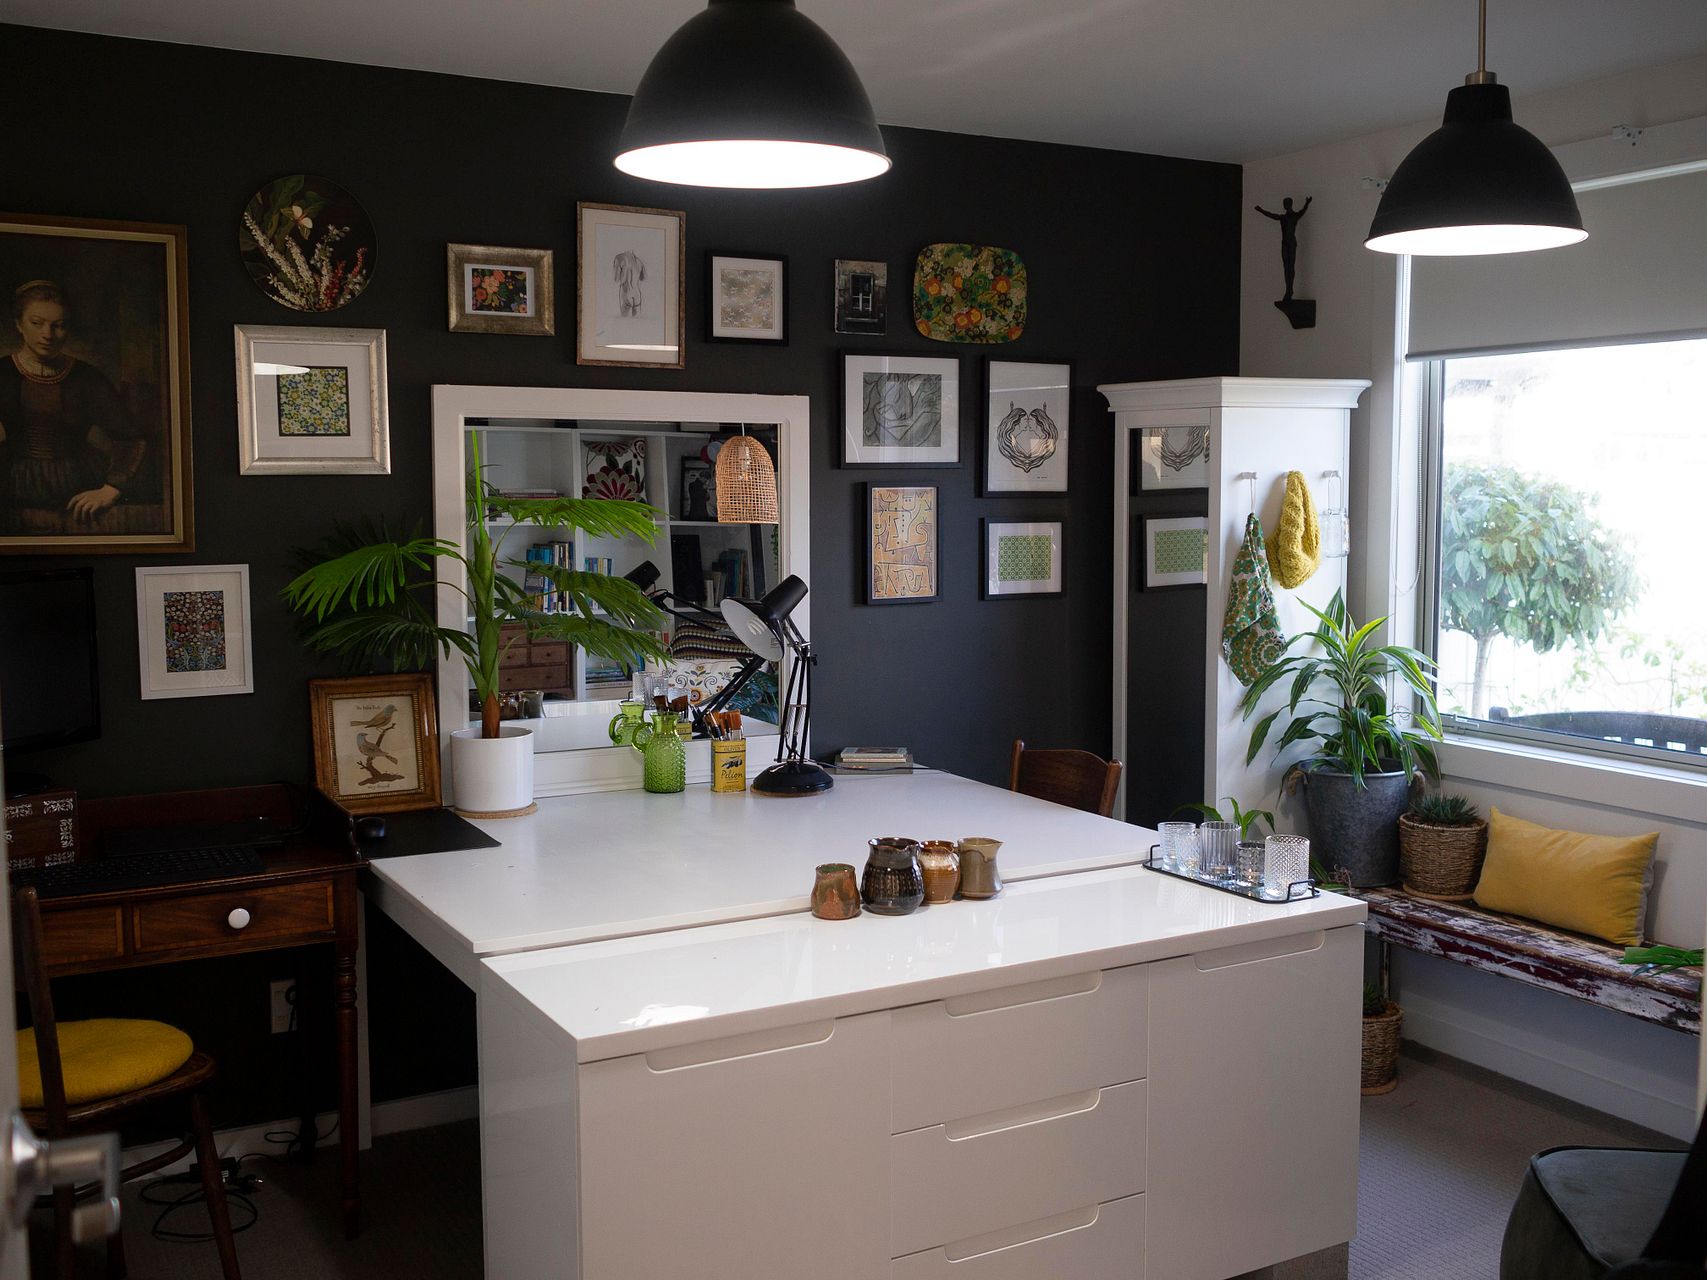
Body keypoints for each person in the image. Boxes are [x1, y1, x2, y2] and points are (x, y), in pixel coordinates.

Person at [0, 280, 144, 532]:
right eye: (37, 323)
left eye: (59, 325)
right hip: (9, 484)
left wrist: (110, 489)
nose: (47, 334)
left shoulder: (88, 378)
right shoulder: (2, 373)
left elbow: (131, 437)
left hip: (78, 488)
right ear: (19, 324)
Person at [1254, 196, 1312, 302]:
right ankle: (1288, 289)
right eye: (1284, 203)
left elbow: (1302, 211)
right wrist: (1261, 210)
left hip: (1291, 244)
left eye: (1286, 203)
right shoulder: (1283, 218)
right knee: (1286, 267)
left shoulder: (1294, 216)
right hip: (1285, 244)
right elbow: (1271, 215)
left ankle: (1290, 290)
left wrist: (1307, 203)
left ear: (1290, 204)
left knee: (1291, 267)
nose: (1284, 205)